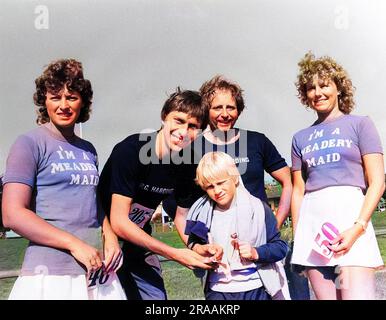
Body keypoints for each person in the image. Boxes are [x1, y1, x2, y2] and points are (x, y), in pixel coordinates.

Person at [1, 59, 126, 299]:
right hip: (50, 274)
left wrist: (110, 237)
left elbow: (94, 205)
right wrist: (74, 244)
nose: (63, 105)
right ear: (44, 101)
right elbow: (12, 214)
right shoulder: (28, 144)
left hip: (97, 270)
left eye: (72, 97)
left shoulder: (88, 149)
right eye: (55, 97)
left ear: (83, 102)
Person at [172, 75, 298, 299]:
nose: (224, 114)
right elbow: (181, 214)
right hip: (221, 269)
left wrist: (274, 224)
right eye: (217, 107)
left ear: (239, 109)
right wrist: (195, 248)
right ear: (206, 109)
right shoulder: (193, 149)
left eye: (231, 107)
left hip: (259, 258)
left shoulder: (257, 141)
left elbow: (288, 181)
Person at [98, 88, 215, 300]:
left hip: (137, 242)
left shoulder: (188, 163)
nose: (183, 131)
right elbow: (118, 221)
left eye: (192, 126)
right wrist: (174, 253)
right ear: (164, 117)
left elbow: (181, 216)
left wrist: (195, 247)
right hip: (103, 238)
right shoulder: (132, 151)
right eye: (178, 121)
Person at [291, 52, 385, 300]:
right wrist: (301, 238)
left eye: (324, 85)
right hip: (314, 230)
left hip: (351, 223)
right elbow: (298, 190)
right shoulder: (299, 138)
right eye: (310, 88)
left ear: (339, 88)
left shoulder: (360, 124)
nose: (317, 93)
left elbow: (377, 182)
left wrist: (358, 227)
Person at [185, 152, 288, 300]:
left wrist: (255, 252)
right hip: (217, 291)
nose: (217, 191)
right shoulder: (201, 212)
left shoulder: (259, 209)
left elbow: (280, 247)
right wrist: (204, 249)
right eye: (210, 186)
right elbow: (193, 242)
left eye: (221, 183)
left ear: (234, 178)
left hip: (256, 289)